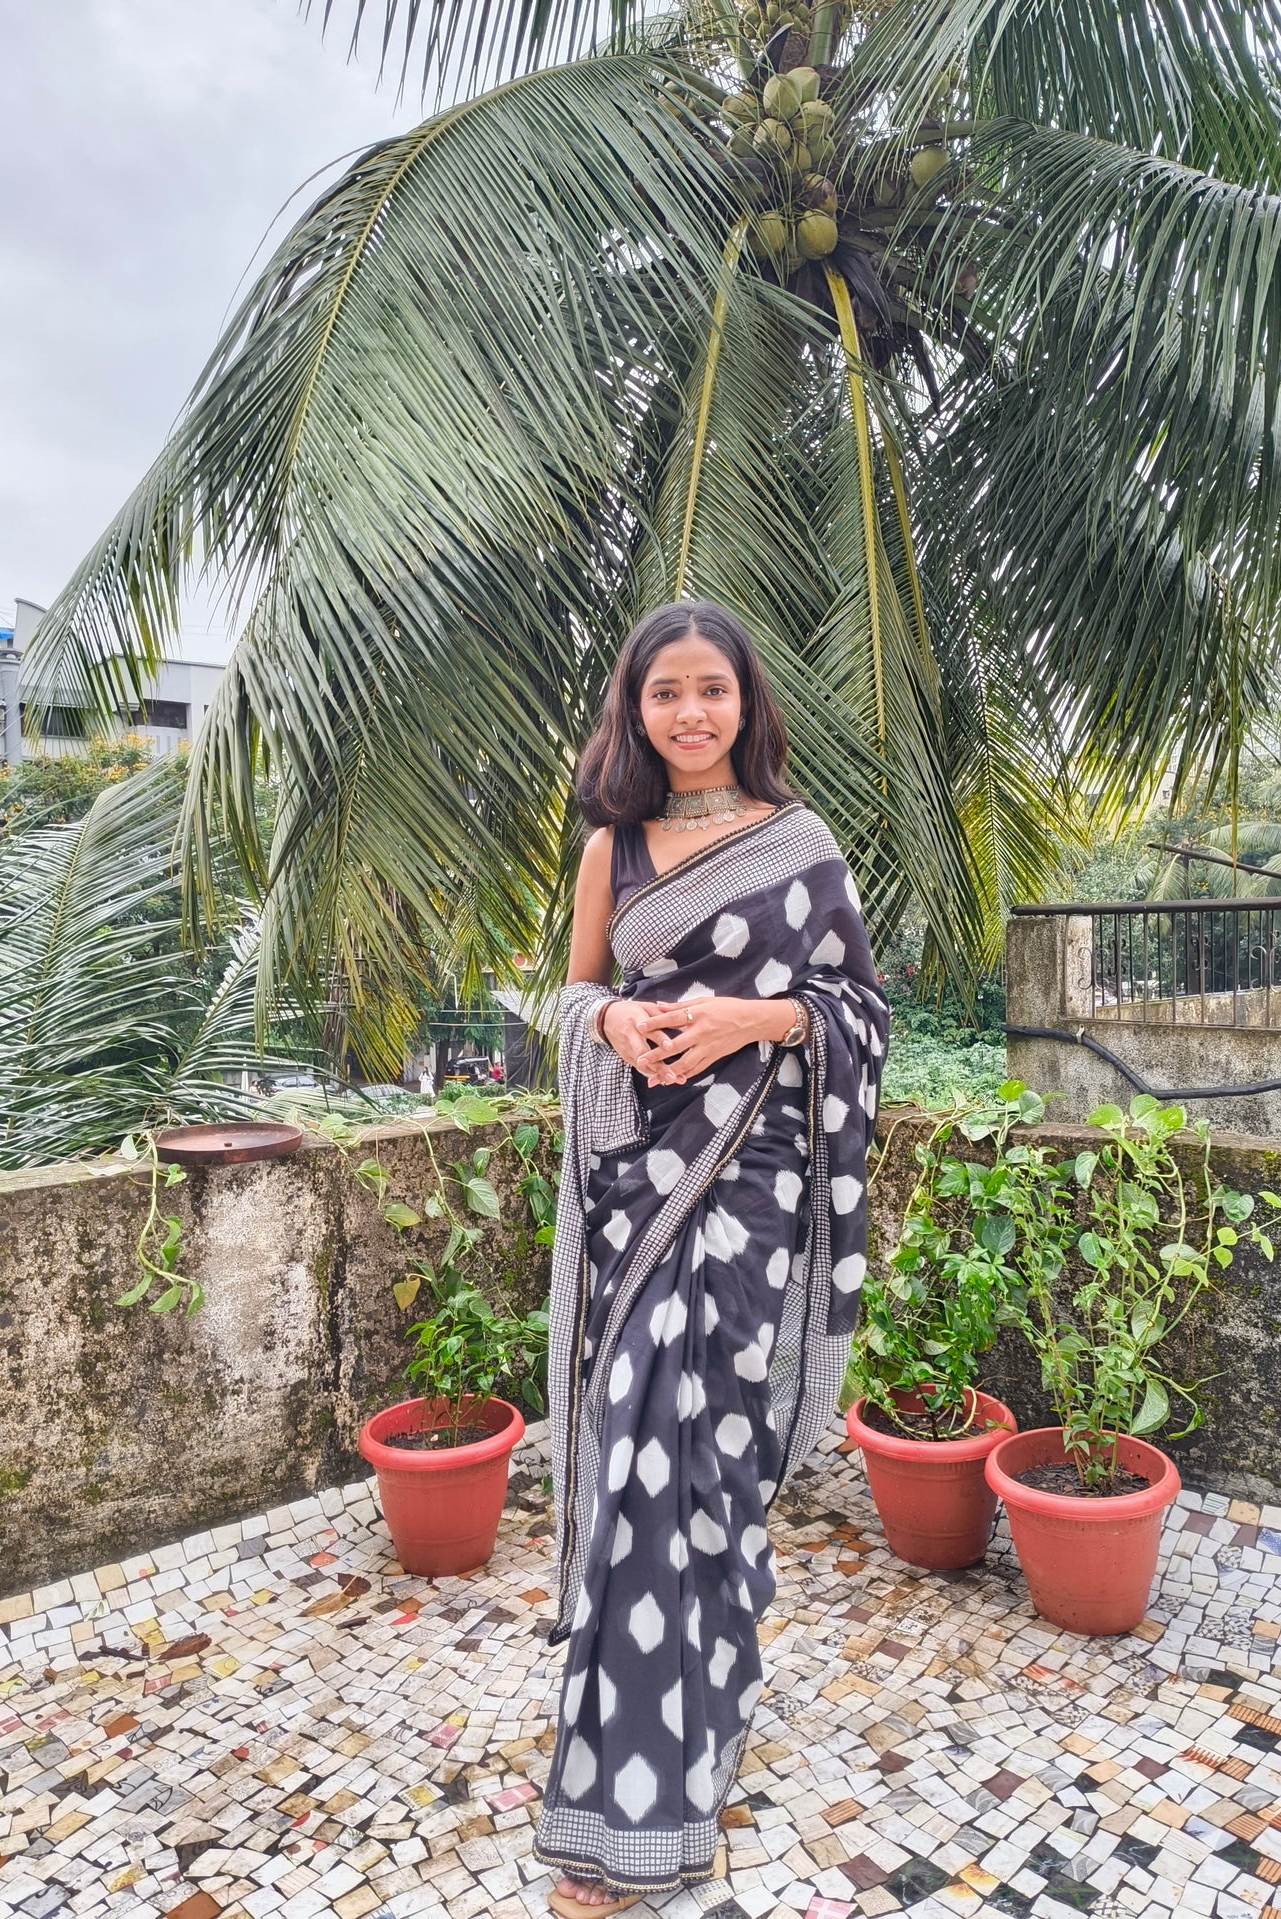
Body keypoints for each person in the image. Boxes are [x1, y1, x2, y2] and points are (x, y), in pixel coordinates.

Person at [535, 601, 888, 1915]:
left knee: (717, 1464)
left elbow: (860, 1010)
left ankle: (714, 1694)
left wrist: (755, 1014)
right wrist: (613, 1023)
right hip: (641, 1193)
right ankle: (623, 1802)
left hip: (751, 1193)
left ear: (746, 704)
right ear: (632, 711)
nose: (688, 714)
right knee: (636, 1458)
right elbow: (568, 998)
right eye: (663, 694)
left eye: (710, 691)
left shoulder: (799, 848)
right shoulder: (609, 851)